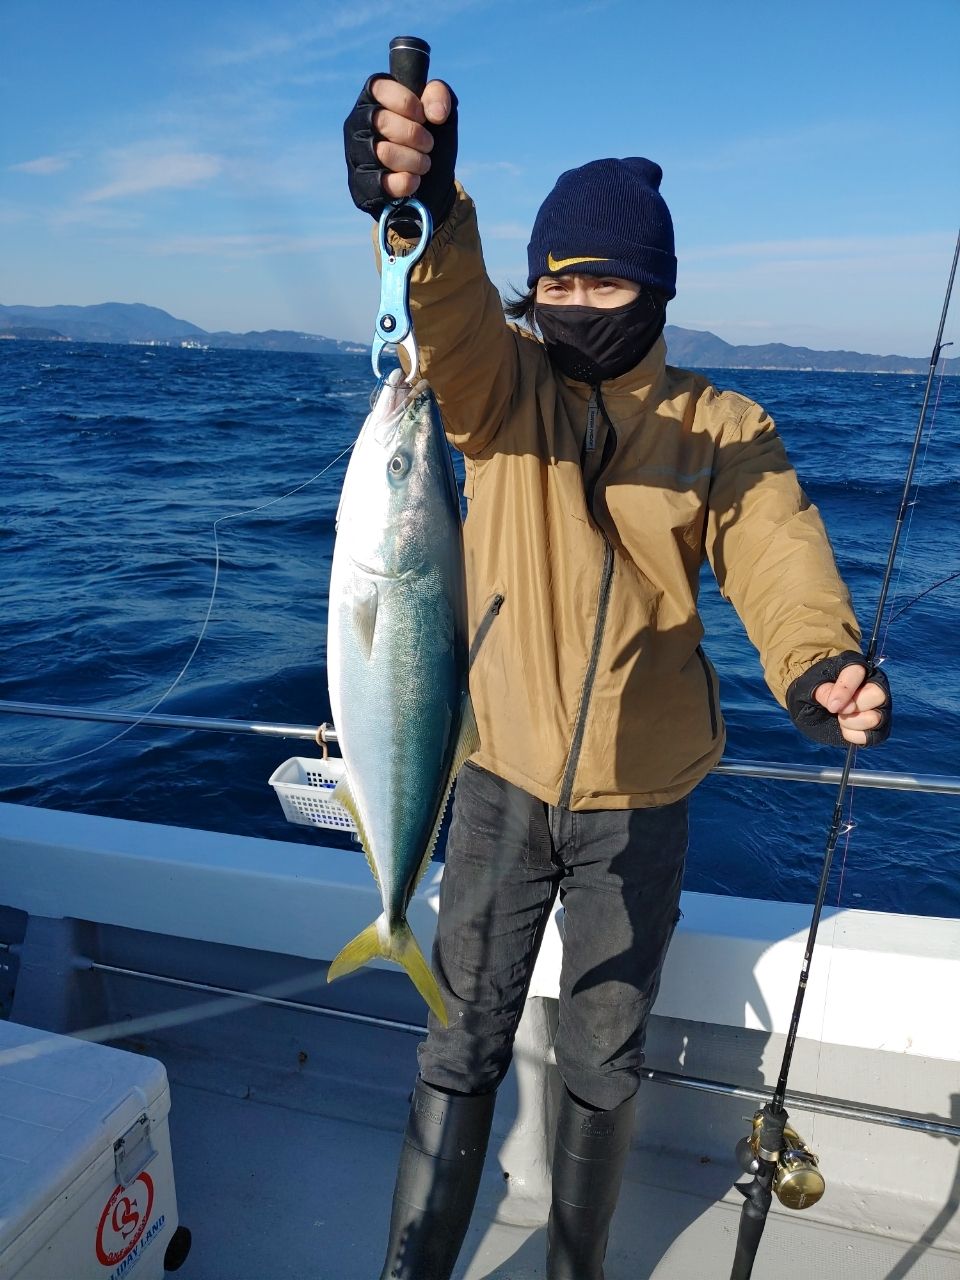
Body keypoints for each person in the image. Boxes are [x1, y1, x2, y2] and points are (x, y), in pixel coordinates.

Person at [344, 67, 891, 1280]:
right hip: (494, 780)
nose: (574, 301)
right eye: (556, 280)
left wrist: (821, 662)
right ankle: (411, 1267)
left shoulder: (720, 426)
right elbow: (453, 321)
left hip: (640, 801)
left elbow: (779, 548)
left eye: (602, 278)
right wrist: (430, 204)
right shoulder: (501, 392)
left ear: (659, 287)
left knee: (603, 1054)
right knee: (461, 1038)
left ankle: (576, 1271)